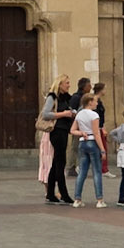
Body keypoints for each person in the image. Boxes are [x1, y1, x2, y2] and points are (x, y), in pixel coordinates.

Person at [40, 75, 76, 204]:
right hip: (57, 131)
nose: (69, 85)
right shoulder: (52, 97)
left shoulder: (66, 98)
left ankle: (50, 193)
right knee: (61, 162)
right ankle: (64, 194)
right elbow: (45, 114)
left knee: (56, 162)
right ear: (60, 84)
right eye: (67, 83)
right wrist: (64, 114)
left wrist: (72, 112)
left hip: (64, 131)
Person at [72, 87, 107, 207]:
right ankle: (99, 199)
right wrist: (102, 149)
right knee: (97, 172)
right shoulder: (94, 115)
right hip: (92, 142)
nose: (97, 103)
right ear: (90, 102)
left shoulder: (79, 114)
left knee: (82, 172)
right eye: (95, 101)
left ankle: (77, 199)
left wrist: (81, 133)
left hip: (82, 142)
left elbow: (72, 130)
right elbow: (97, 133)